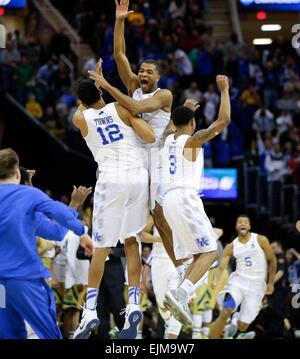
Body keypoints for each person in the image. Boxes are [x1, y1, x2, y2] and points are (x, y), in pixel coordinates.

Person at [72, 76, 155, 340]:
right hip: (138, 177)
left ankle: (89, 310)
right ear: (100, 93)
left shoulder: (80, 119)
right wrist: (105, 88)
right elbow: (150, 136)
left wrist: (89, 92)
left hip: (111, 178)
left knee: (102, 246)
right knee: (132, 241)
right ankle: (133, 303)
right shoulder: (121, 108)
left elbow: (80, 107)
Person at [0, 148, 93, 339]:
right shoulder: (28, 195)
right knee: (49, 332)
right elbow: (58, 224)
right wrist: (82, 231)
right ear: (17, 174)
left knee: (9, 333)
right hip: (24, 278)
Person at [161, 75, 231, 327]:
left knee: (195, 257)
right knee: (210, 251)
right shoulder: (192, 141)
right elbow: (223, 121)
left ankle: (181, 293)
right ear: (192, 124)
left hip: (168, 201)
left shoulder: (168, 138)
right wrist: (224, 90)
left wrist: (187, 109)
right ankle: (181, 292)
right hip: (185, 198)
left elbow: (172, 125)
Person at [210, 215, 277, 339]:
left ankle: (235, 322)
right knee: (225, 312)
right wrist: (215, 280)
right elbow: (221, 267)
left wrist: (271, 282)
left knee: (243, 326)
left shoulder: (260, 240)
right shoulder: (231, 246)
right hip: (238, 283)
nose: (243, 224)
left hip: (257, 286)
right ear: (236, 226)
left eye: (246, 222)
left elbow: (272, 260)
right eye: (240, 222)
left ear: (249, 226)